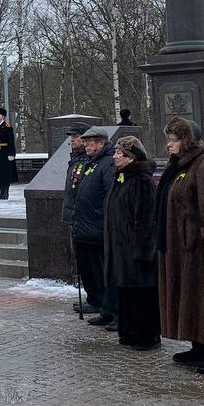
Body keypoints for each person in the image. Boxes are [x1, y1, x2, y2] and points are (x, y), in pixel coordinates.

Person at [157, 117, 204, 373]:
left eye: (173, 140)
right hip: (178, 247)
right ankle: (198, 345)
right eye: (168, 140)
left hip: (197, 248)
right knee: (189, 298)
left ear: (186, 140)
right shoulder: (176, 166)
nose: (168, 145)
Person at [104, 136, 160, 350]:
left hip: (136, 250)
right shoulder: (120, 178)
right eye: (115, 152)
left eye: (120, 153)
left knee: (142, 295)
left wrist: (143, 251)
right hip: (121, 249)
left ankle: (147, 335)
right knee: (127, 294)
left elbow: (146, 219)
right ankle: (129, 332)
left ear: (131, 158)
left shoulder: (142, 181)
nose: (115, 156)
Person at [73, 127, 116, 330]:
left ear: (101, 143)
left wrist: (101, 217)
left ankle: (108, 308)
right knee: (90, 270)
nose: (86, 146)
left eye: (90, 143)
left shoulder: (107, 163)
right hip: (85, 228)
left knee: (103, 272)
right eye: (86, 142)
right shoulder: (92, 163)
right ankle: (99, 303)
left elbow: (109, 194)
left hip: (97, 229)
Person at [60, 122, 92, 312]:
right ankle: (92, 296)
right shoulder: (76, 159)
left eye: (76, 137)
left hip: (84, 217)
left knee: (91, 264)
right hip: (75, 215)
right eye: (71, 137)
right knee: (82, 261)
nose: (72, 140)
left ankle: (97, 298)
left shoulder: (87, 160)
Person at [0, 107, 18, 200]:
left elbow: (11, 142)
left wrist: (11, 154)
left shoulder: (7, 127)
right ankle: (1, 193)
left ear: (3, 117)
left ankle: (6, 193)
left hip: (5, 153)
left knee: (5, 173)